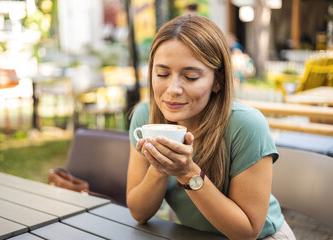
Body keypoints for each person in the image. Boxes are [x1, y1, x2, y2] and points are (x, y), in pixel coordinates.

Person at [126, 15, 295, 240]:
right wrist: (159, 168)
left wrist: (187, 172)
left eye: (191, 76)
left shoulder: (246, 125)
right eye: (162, 74)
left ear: (218, 81)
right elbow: (139, 212)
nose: (173, 89)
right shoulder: (145, 118)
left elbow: (246, 232)